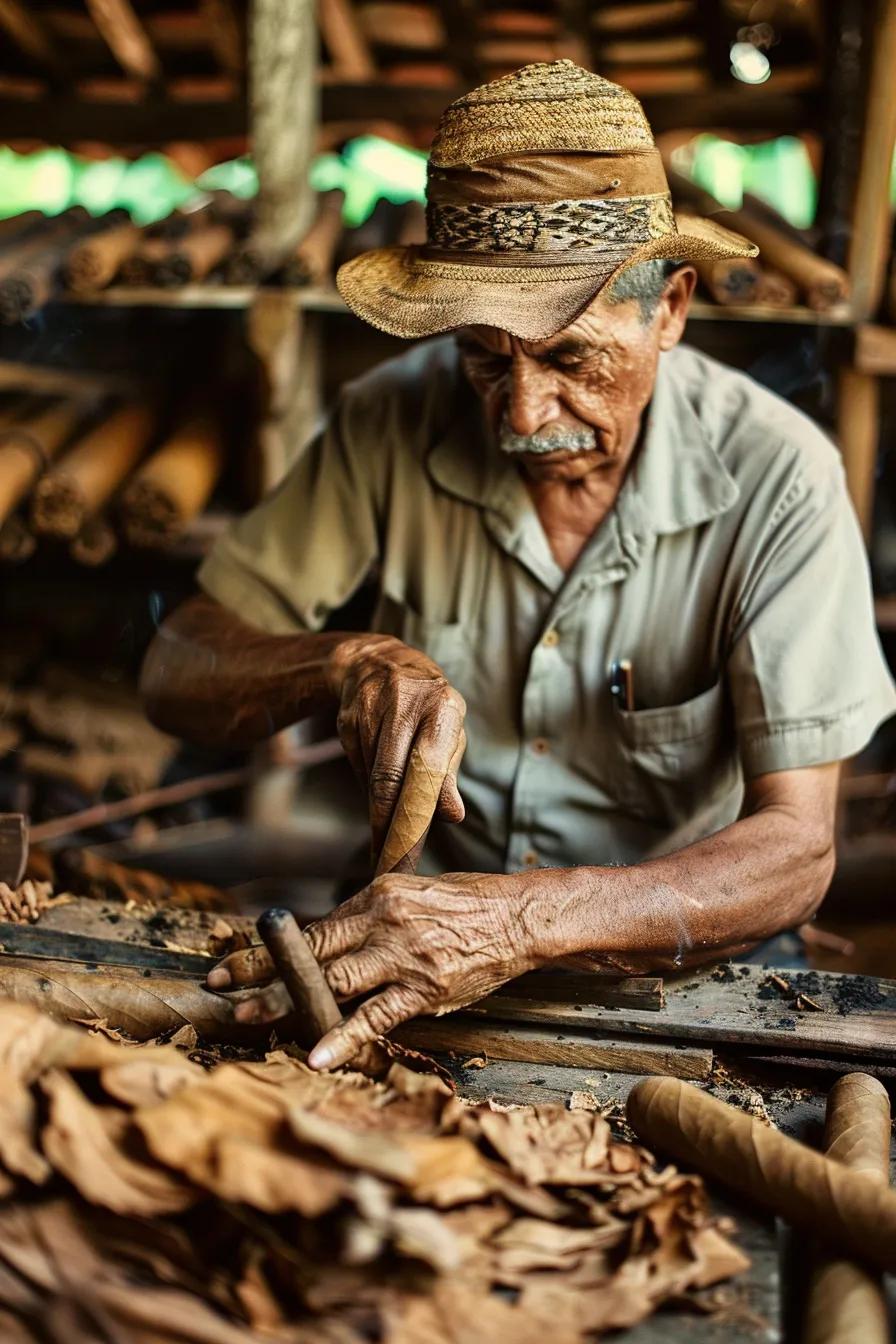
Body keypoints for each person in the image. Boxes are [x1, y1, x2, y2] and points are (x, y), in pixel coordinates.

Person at [141, 61, 895, 1070]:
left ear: (668, 309)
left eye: (573, 360)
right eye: (485, 360)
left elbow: (795, 851)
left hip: (682, 979)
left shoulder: (778, 475)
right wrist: (342, 662)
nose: (521, 417)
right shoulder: (389, 420)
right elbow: (176, 667)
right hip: (414, 965)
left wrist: (517, 924)